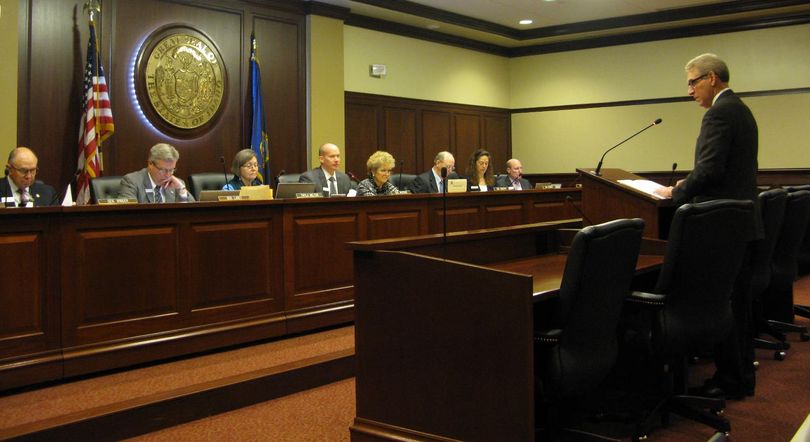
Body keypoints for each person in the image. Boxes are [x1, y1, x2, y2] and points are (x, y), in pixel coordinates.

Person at [653, 53, 760, 399]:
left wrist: (678, 190)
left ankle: (731, 379)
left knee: (723, 305)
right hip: (740, 223)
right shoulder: (741, 109)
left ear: (712, 78)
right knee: (737, 307)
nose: (689, 90)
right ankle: (739, 378)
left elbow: (711, 171)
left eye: (693, 81)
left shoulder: (719, 113)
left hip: (720, 228)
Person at [119, 143, 195, 203]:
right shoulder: (131, 182)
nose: (168, 175)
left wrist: (181, 189)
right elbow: (127, 213)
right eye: (162, 170)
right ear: (150, 164)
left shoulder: (177, 184)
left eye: (171, 170)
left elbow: (193, 212)